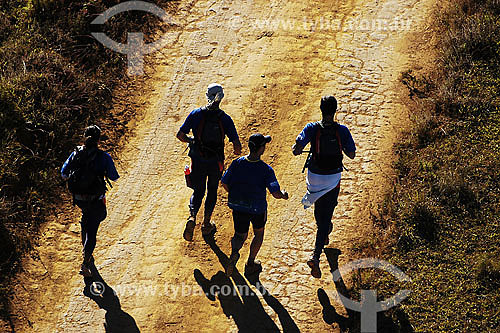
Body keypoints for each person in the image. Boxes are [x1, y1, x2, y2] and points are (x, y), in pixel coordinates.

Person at [292, 96, 356, 278]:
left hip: (314, 177)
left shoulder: (312, 128)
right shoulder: (342, 130)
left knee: (320, 211)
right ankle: (315, 256)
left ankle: (325, 231)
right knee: (326, 214)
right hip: (332, 178)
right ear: (335, 110)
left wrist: (296, 148)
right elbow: (351, 154)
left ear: (320, 109)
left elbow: (297, 149)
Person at [176, 83, 242, 241]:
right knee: (212, 191)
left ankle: (192, 217)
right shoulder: (225, 119)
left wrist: (192, 141)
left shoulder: (196, 114)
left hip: (198, 159)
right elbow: (237, 146)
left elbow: (180, 135)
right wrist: (235, 151)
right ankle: (206, 224)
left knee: (198, 191)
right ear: (221, 98)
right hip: (215, 162)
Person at [221, 134, 289, 277]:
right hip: (257, 208)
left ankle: (234, 253)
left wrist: (234, 193)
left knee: (240, 234)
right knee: (258, 233)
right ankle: (250, 264)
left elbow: (224, 182)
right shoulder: (266, 169)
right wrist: (283, 194)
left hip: (238, 205)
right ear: (261, 149)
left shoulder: (237, 163)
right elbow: (275, 192)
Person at [61, 125, 119, 277]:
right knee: (92, 229)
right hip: (95, 198)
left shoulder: (76, 153)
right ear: (99, 139)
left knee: (86, 220)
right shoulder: (103, 157)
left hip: (79, 198)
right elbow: (114, 177)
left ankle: (87, 252)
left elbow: (64, 173)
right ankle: (86, 263)